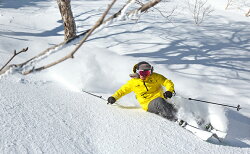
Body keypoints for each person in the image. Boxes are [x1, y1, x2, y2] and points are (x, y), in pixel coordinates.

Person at [107, 61, 177, 121]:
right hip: (147, 103)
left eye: (146, 73)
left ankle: (178, 114)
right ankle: (173, 119)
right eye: (141, 73)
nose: (144, 76)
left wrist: (169, 91)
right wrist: (114, 97)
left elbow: (167, 82)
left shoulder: (155, 77)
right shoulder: (133, 83)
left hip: (162, 99)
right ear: (137, 73)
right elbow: (122, 91)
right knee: (159, 102)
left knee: (172, 104)